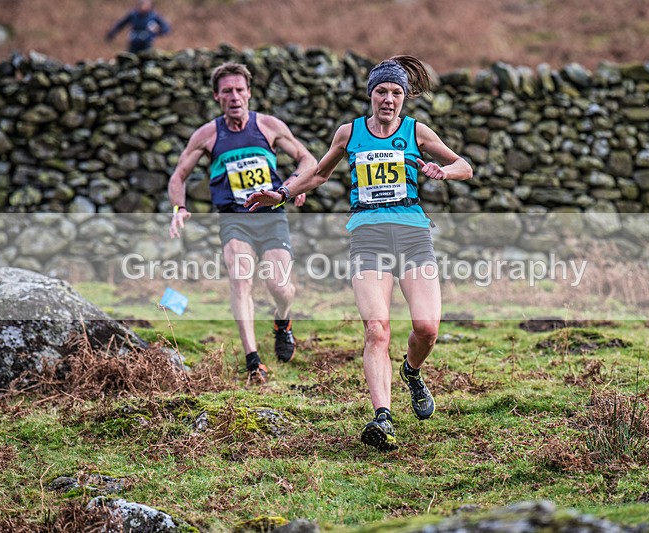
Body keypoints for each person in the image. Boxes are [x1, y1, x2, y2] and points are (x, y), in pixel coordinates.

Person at [245, 55, 473, 451]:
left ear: (404, 97)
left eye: (396, 93)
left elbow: (464, 166)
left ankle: (411, 372)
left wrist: (445, 171)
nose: (388, 99)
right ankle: (383, 417)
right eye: (381, 91)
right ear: (371, 94)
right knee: (376, 329)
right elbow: (319, 173)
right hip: (368, 238)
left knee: (427, 328)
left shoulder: (416, 131)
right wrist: (281, 194)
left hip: (413, 237)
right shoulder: (349, 133)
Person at [168, 62, 316, 384]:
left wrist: (291, 185)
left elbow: (308, 160)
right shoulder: (208, 134)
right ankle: (253, 361)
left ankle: (282, 320)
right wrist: (179, 207)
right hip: (234, 217)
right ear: (216, 96)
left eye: (239, 90)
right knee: (241, 279)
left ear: (249, 92)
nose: (234, 96)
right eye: (227, 91)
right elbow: (179, 176)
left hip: (271, 214)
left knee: (280, 287)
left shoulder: (268, 126)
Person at [105, 0, 171, 54]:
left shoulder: (154, 16)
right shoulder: (133, 14)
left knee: (146, 57)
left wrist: (157, 32)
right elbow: (120, 24)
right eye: (143, 5)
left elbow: (166, 28)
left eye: (147, 5)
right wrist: (112, 33)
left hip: (146, 43)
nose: (144, 7)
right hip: (134, 41)